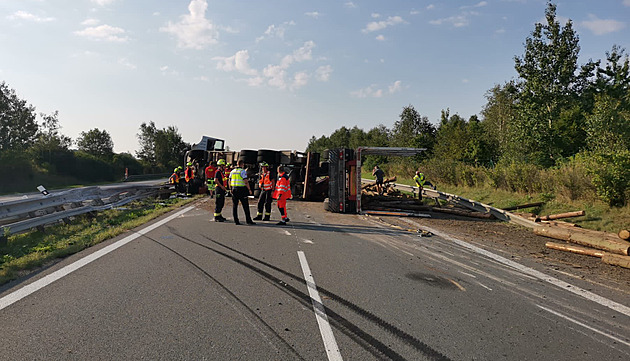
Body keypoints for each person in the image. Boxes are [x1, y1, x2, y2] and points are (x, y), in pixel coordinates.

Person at [230, 159, 256, 225]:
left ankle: (236, 220)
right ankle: (248, 220)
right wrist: (249, 189)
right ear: (242, 164)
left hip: (234, 189)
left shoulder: (232, 171)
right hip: (241, 189)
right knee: (245, 205)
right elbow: (245, 181)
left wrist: (230, 188)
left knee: (235, 206)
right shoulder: (242, 171)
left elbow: (229, 181)